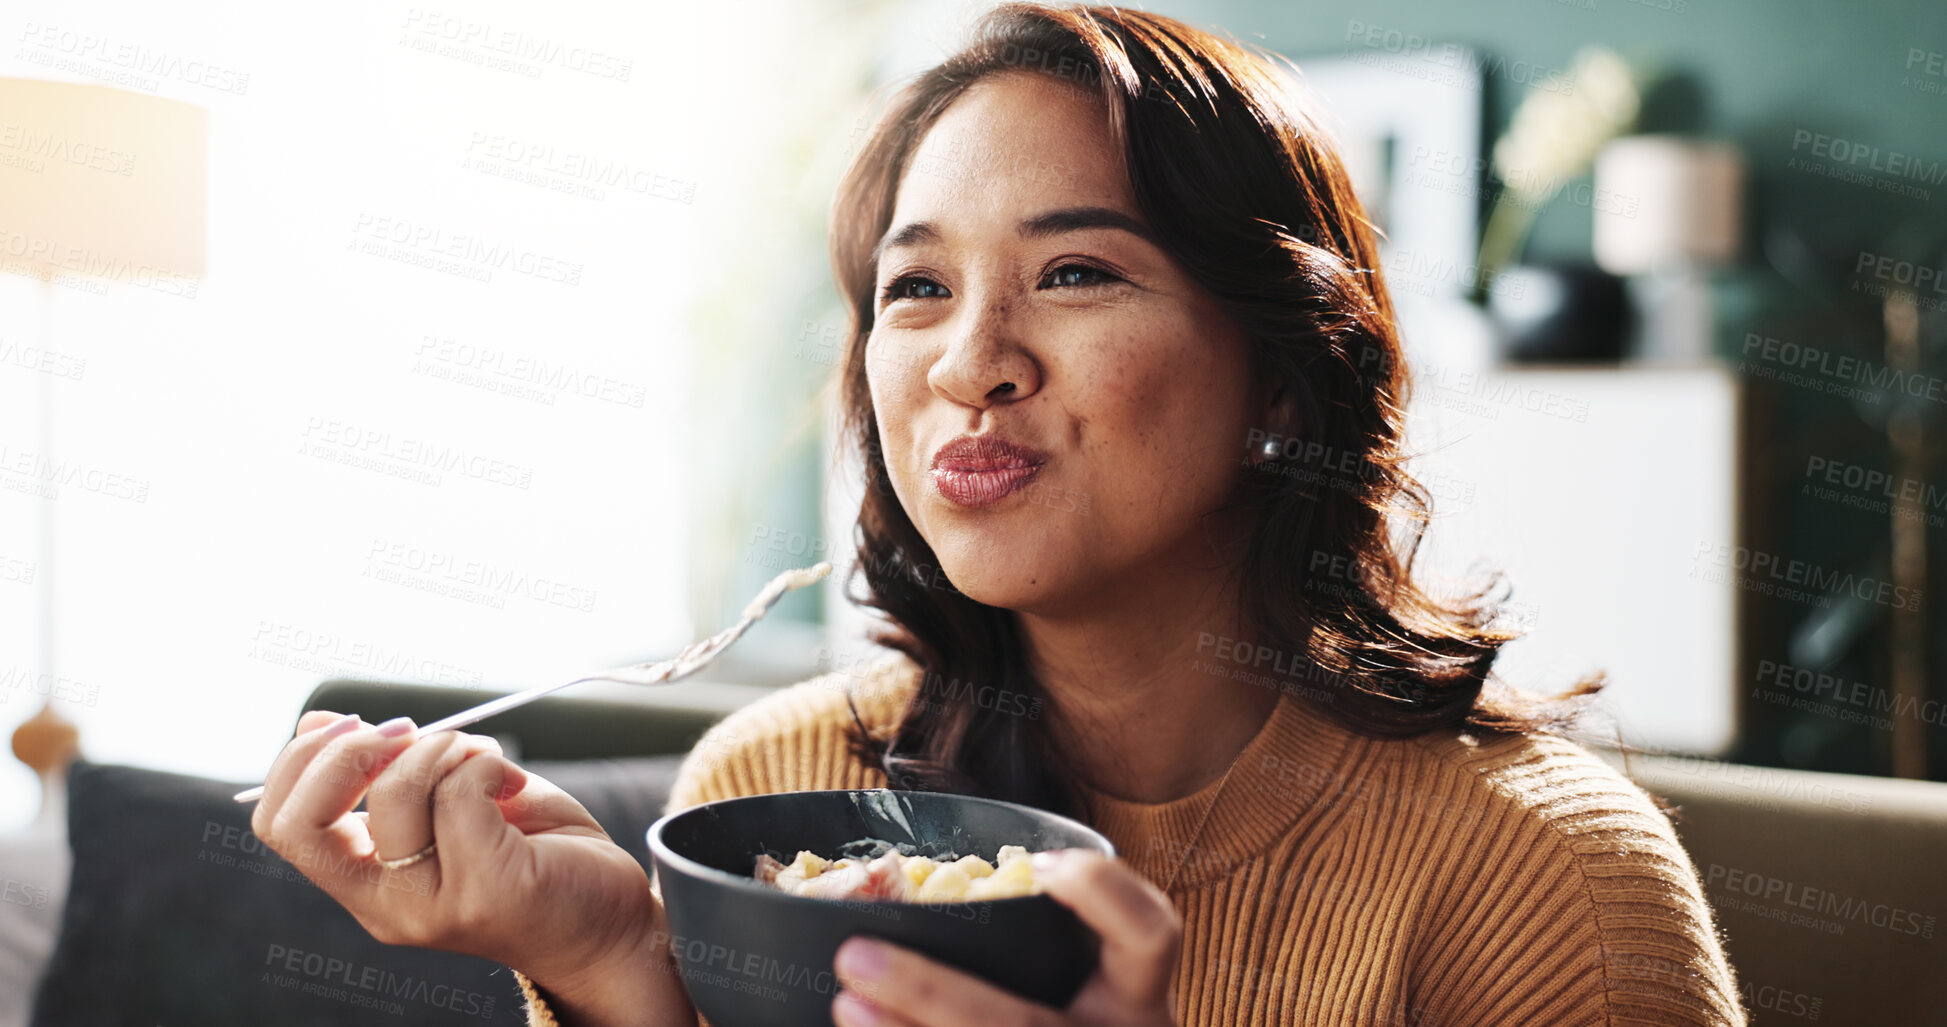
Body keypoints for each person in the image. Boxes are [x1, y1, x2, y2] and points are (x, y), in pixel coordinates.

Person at [251, 4, 1747, 1025]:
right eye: (916, 289)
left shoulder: (1554, 888)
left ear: (1283, 378)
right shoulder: (777, 789)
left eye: (1076, 272)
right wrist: (624, 972)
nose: (971, 362)